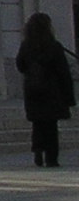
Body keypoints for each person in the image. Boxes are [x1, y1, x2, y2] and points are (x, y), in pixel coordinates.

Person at [15, 11, 75, 166]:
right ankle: (51, 158)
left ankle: (38, 149)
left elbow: (20, 65)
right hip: (52, 92)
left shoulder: (26, 46)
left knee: (38, 123)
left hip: (33, 91)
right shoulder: (54, 47)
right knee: (51, 126)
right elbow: (63, 72)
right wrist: (69, 97)